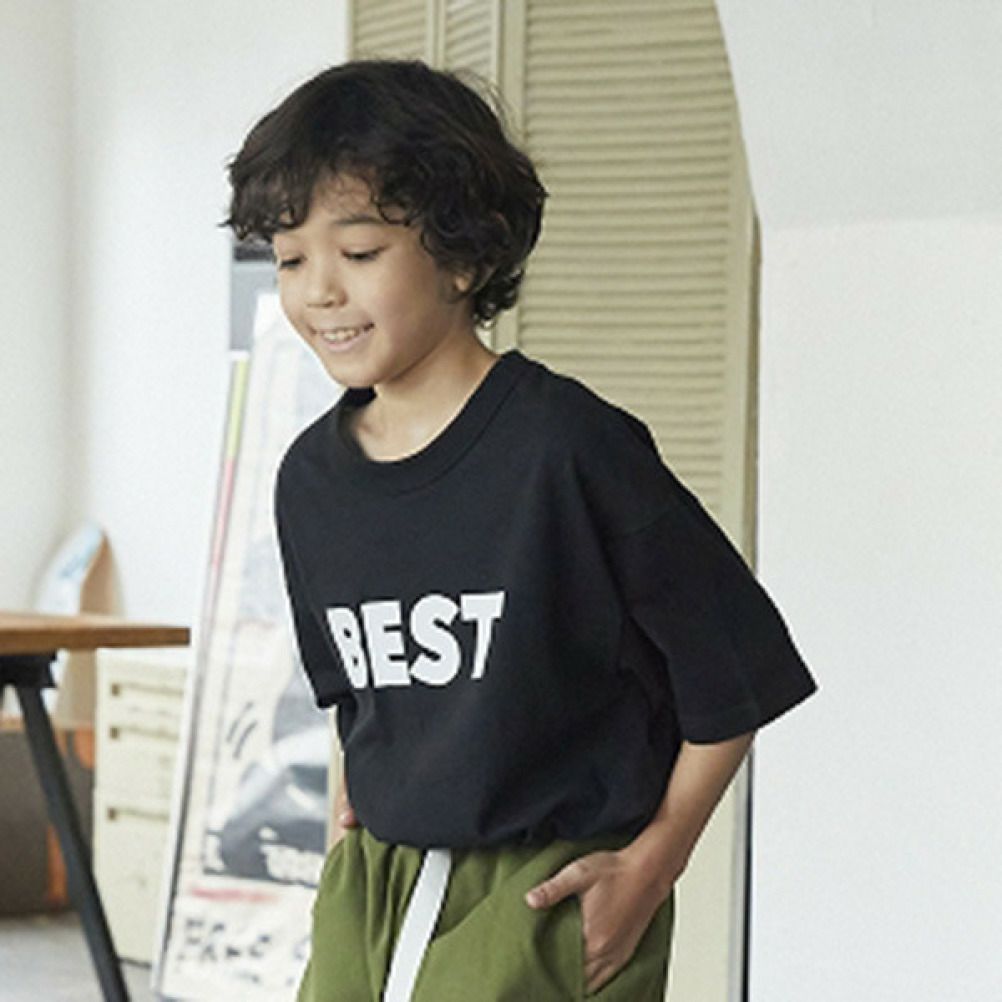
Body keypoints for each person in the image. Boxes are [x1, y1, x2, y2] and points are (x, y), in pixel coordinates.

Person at [223, 58, 818, 1002]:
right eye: (291, 259)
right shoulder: (310, 481)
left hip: (542, 890)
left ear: (464, 258)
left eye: (360, 252)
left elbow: (735, 672)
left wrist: (655, 863)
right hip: (375, 883)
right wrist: (358, 824)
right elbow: (357, 694)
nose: (319, 291)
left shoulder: (567, 447)